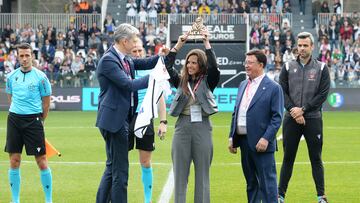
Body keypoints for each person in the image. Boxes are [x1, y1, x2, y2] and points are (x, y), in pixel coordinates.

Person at [95, 23, 170, 203]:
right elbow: (128, 85)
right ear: (124, 41)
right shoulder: (109, 60)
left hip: (117, 119)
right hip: (114, 121)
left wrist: (164, 55)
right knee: (120, 171)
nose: (136, 44)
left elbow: (146, 62)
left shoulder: (124, 58)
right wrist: (155, 77)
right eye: (134, 40)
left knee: (112, 167)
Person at [165, 28, 220, 203]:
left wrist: (206, 43)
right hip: (182, 127)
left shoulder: (208, 81)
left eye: (194, 63)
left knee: (202, 174)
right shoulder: (181, 81)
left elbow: (214, 69)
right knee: (180, 174)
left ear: (201, 65)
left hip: (202, 127)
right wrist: (178, 45)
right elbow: (166, 67)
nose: (190, 65)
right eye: (188, 62)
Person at [278, 32, 330, 203]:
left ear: (312, 47)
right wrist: (294, 110)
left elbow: (322, 95)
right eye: (299, 45)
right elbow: (282, 92)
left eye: (305, 45)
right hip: (291, 118)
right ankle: (280, 196)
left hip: (313, 119)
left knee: (316, 158)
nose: (301, 48)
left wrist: (304, 110)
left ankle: (321, 196)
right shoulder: (287, 67)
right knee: (288, 158)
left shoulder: (322, 68)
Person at [228, 49, 284, 203]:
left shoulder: (273, 87)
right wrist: (232, 136)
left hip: (262, 144)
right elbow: (236, 112)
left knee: (268, 184)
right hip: (244, 142)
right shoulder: (242, 84)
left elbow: (277, 117)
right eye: (245, 62)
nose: (246, 65)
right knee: (251, 183)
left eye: (250, 63)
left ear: (261, 65)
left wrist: (266, 138)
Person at [5, 43, 52, 203]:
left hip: (34, 121)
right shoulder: (11, 77)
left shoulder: (41, 77)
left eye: (27, 55)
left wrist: (41, 121)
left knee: (42, 161)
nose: (24, 59)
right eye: (21, 56)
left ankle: (48, 200)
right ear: (17, 57)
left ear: (32, 56)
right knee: (14, 160)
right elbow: (10, 98)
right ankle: (15, 200)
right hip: (14, 121)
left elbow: (46, 103)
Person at [128, 39, 167, 203]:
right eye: (134, 51)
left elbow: (159, 98)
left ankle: (147, 200)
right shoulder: (125, 68)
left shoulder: (151, 69)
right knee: (121, 159)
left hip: (145, 118)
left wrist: (163, 121)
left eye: (139, 51)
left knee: (145, 161)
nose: (137, 54)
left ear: (143, 52)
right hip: (127, 118)